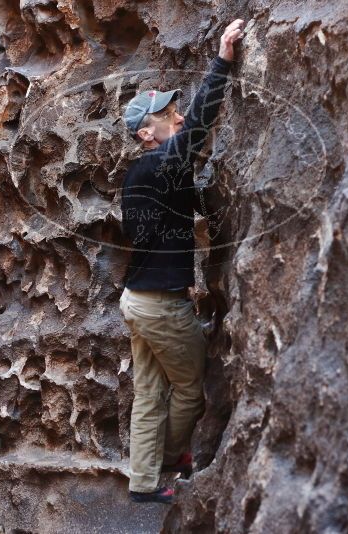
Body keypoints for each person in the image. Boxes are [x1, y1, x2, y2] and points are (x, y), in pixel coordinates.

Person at [118, 19, 244, 504]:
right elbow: (201, 123)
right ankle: (172, 460)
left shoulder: (142, 172)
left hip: (136, 300)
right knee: (190, 389)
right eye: (170, 113)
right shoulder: (163, 162)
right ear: (147, 132)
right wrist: (223, 61)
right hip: (162, 307)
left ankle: (143, 483)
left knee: (150, 393)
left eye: (174, 109)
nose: (178, 115)